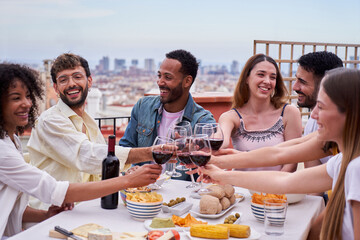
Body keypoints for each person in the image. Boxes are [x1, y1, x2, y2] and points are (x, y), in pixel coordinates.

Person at [0, 63, 162, 239]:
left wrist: (45, 215)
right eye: (16, 98)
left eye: (29, 97)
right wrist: (129, 180)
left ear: (89, 81)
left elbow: (10, 208)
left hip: (72, 212)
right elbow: (63, 182)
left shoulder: (12, 139)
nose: (26, 104)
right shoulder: (7, 148)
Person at [201, 68, 360, 240]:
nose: (313, 116)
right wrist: (221, 169)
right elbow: (283, 177)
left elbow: (281, 159)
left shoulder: (356, 168)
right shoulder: (342, 162)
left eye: (320, 107)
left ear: (350, 113)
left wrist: (222, 167)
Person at [27, 53, 154, 210]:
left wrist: (127, 170)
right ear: (56, 88)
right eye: (63, 80)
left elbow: (101, 164)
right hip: (53, 213)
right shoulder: (49, 121)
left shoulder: (89, 122)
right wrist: (150, 152)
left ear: (89, 81)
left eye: (77, 77)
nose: (71, 84)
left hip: (86, 208)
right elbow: (86, 155)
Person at [119, 49, 215, 178]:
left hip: (181, 193)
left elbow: (212, 155)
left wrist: (194, 149)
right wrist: (131, 168)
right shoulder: (143, 106)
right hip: (143, 191)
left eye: (168, 77)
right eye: (159, 76)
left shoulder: (202, 120)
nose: (160, 82)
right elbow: (125, 147)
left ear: (187, 81)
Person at [219, 54, 302, 172]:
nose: (267, 81)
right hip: (241, 189)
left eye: (272, 77)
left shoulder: (289, 113)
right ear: (246, 78)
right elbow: (221, 140)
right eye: (261, 75)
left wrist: (272, 189)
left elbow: (291, 162)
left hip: (275, 188)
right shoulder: (231, 117)